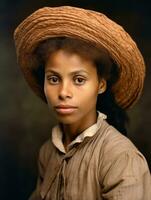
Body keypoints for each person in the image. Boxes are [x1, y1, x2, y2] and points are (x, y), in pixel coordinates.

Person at [14, 6, 151, 200]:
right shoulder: (47, 152)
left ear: (101, 85)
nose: (63, 93)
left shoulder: (120, 158)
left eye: (79, 80)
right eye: (54, 79)